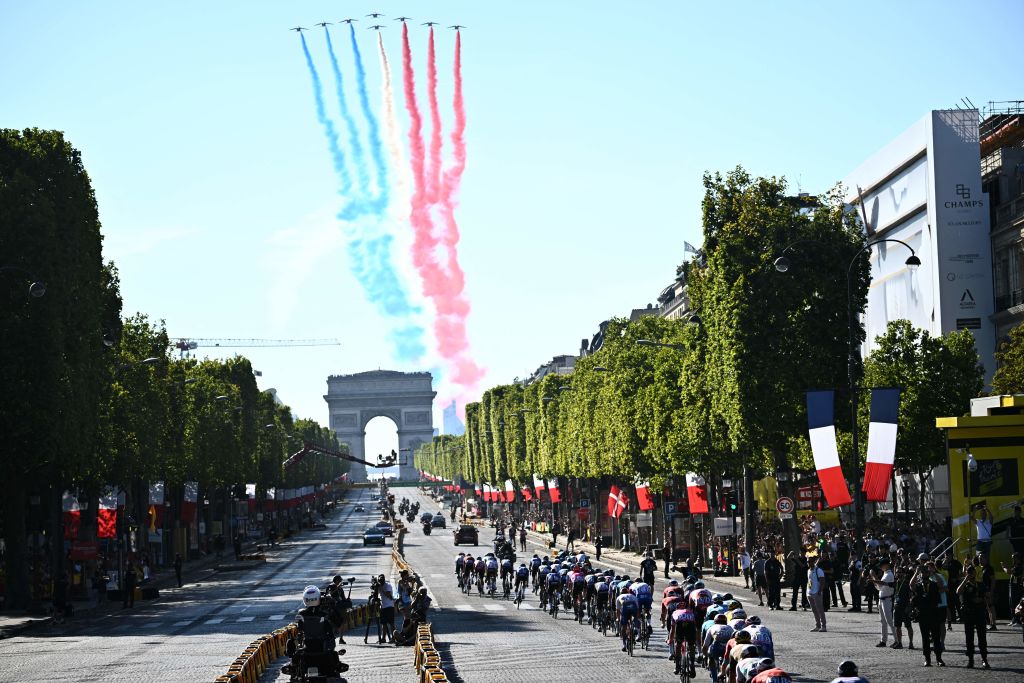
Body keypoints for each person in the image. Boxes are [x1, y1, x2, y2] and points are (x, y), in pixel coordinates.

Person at [956, 564, 990, 669]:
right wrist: (965, 579)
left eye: (972, 571)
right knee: (969, 638)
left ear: (975, 573)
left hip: (980, 612)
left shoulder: (980, 584)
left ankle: (984, 659)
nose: (971, 573)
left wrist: (985, 604)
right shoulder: (965, 585)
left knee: (982, 637)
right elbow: (958, 592)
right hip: (969, 613)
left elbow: (987, 596)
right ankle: (971, 660)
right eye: (968, 572)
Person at [912, 561, 944, 667]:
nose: (924, 574)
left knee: (936, 637)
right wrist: (916, 573)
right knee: (925, 638)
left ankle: (939, 658)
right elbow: (910, 585)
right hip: (923, 614)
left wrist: (933, 573)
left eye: (926, 572)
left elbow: (942, 586)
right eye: (923, 573)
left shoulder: (934, 584)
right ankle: (927, 659)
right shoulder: (919, 585)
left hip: (934, 613)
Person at [871, 557, 896, 647]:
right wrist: (874, 579)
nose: (880, 567)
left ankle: (897, 640)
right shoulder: (885, 574)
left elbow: (881, 583)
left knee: (889, 620)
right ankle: (883, 640)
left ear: (886, 565)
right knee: (883, 621)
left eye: (881, 566)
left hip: (887, 599)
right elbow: (879, 587)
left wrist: (873, 577)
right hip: (882, 599)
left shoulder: (889, 574)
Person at [1001, 552, 1023, 626]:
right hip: (1012, 586)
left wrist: (1004, 567)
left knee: (1016, 603)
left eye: (1014, 557)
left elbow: (1009, 572)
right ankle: (1013, 620)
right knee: (1011, 603)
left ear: (1018, 558)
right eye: (1012, 557)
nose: (1012, 559)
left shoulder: (1020, 566)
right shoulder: (1015, 565)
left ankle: (1018, 621)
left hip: (1017, 587)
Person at [808, 555, 827, 632]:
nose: (808, 563)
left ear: (813, 562)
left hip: (817, 592)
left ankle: (823, 626)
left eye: (810, 561)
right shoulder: (808, 570)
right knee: (814, 610)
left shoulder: (818, 570)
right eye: (808, 562)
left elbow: (822, 581)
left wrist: (820, 591)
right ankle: (817, 625)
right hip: (810, 593)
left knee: (820, 610)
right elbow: (809, 582)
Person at [376, 573, 396, 644]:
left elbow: (388, 595)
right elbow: (376, 595)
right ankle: (383, 638)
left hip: (389, 606)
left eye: (382, 580)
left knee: (391, 623)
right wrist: (376, 587)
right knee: (383, 623)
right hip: (383, 607)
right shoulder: (379, 586)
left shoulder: (388, 585)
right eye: (379, 580)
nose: (381, 581)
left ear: (384, 579)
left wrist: (381, 588)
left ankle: (393, 638)